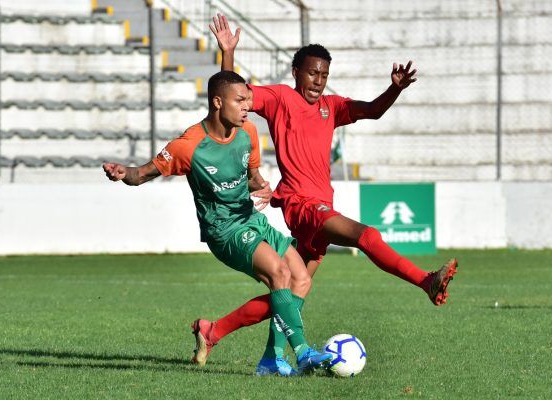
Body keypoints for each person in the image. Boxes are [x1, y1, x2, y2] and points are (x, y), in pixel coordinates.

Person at [191, 15, 459, 368]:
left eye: (323, 75)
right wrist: (228, 52)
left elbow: (373, 111)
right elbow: (231, 96)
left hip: (320, 206)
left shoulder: (330, 108)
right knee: (367, 235)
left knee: (289, 293)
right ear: (296, 71)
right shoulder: (280, 98)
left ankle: (220, 334)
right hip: (302, 206)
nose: (318, 81)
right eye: (312, 73)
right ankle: (425, 281)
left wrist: (394, 88)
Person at [103, 70, 332, 376]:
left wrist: (263, 186)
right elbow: (141, 174)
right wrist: (123, 173)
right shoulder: (188, 145)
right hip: (224, 231)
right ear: (217, 103)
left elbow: (250, 177)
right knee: (279, 272)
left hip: (251, 219)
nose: (247, 106)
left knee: (301, 280)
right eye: (240, 101)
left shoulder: (247, 132)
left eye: (247, 100)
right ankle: (302, 353)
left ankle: (264, 358)